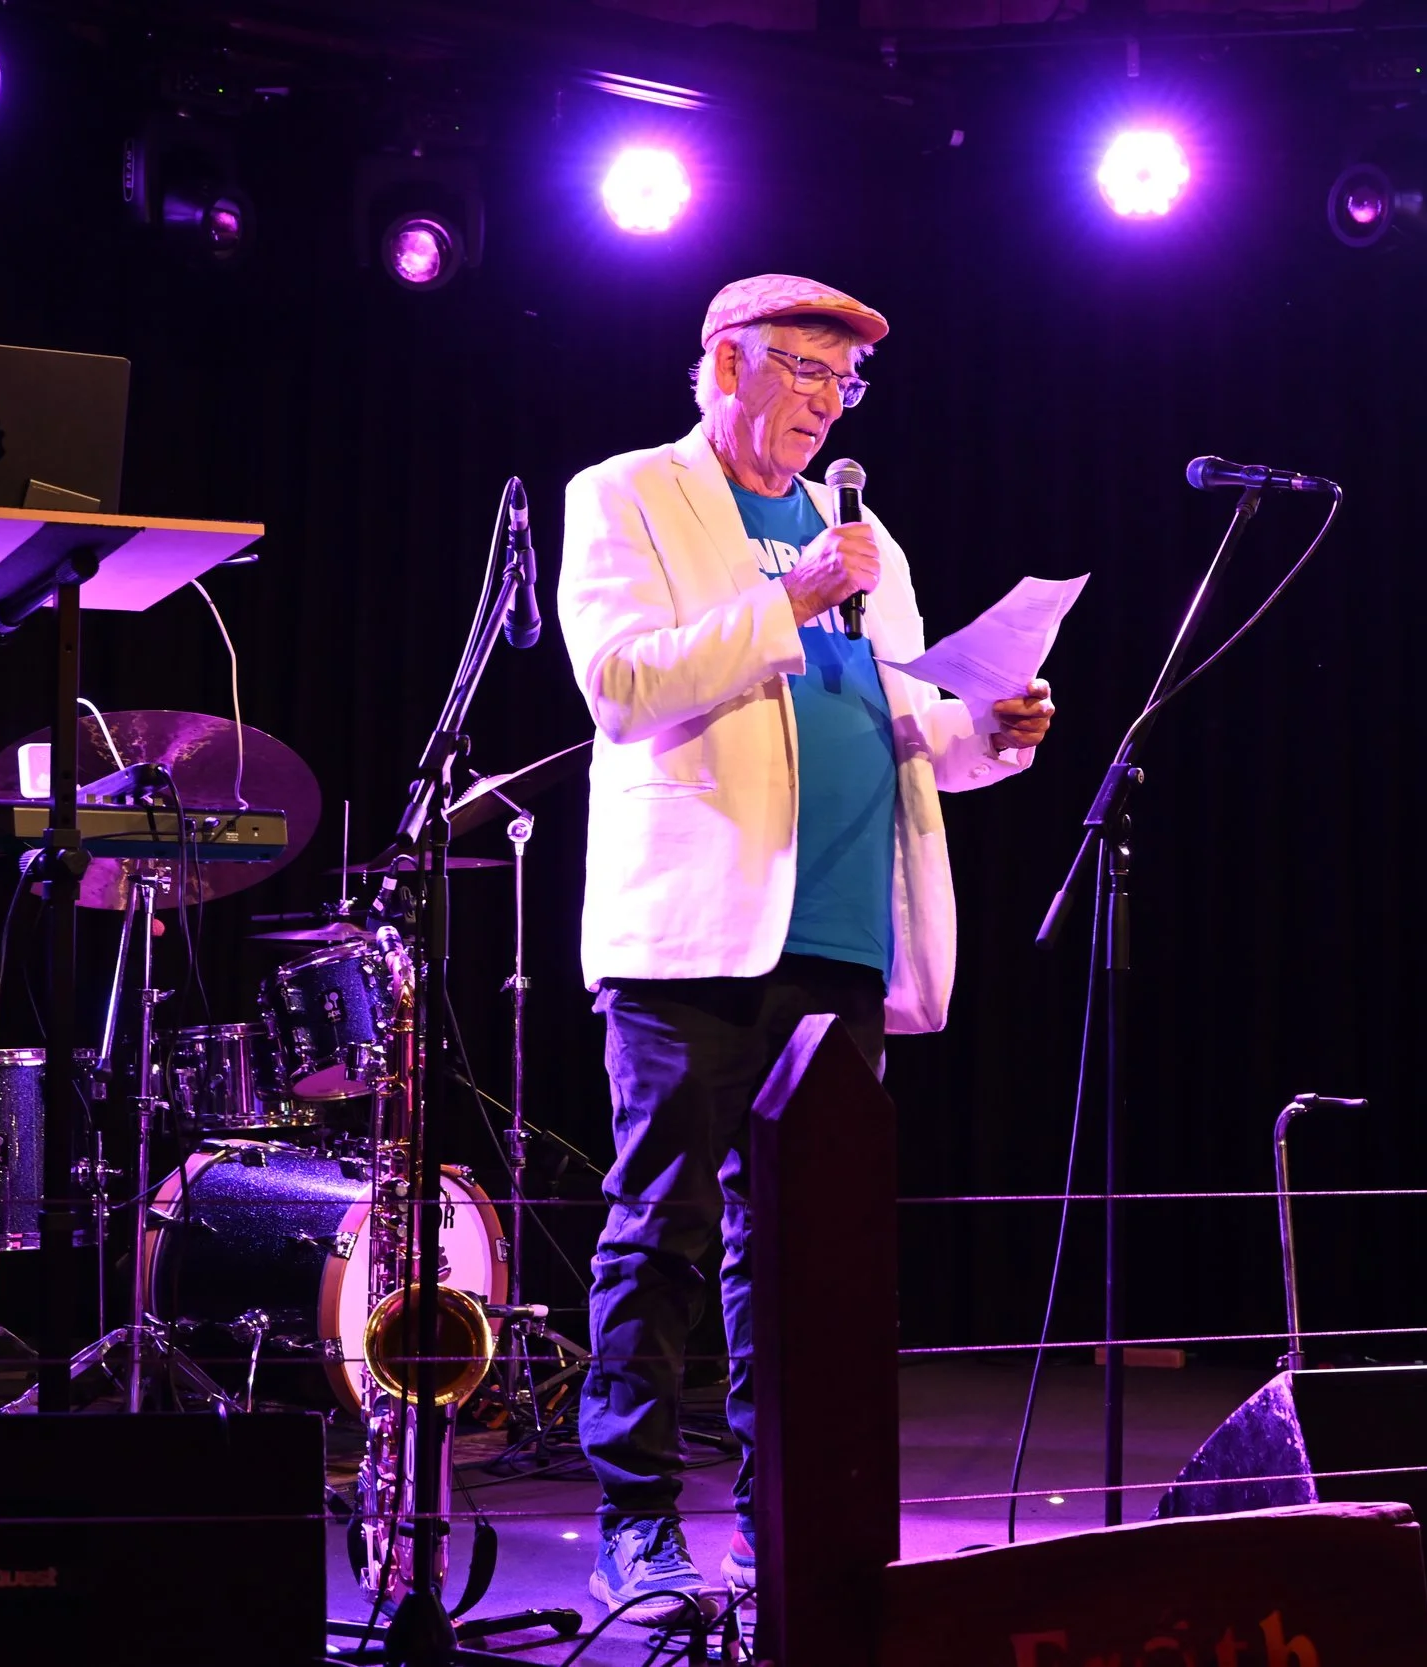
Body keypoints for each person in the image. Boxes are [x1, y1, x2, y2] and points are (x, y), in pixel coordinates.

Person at [557, 273, 1055, 1617]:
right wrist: (793, 597)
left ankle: (783, 1526)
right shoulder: (630, 496)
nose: (825, 402)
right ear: (725, 366)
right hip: (694, 937)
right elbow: (622, 683)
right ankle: (637, 1519)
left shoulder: (861, 532)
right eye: (803, 371)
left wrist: (988, 732)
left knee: (796, 1248)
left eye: (844, 383)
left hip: (841, 936)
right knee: (658, 1226)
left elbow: (900, 718)